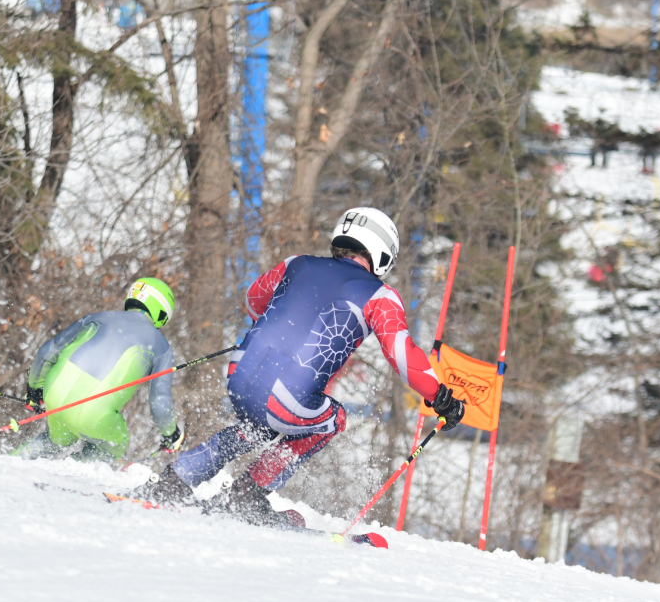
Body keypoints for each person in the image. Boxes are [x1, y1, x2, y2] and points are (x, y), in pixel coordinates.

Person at [143, 208, 465, 525]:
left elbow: (253, 300)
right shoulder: (381, 296)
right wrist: (440, 397)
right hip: (287, 397)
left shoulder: (296, 263)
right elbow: (402, 355)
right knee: (333, 419)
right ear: (383, 253)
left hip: (239, 373)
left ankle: (179, 477)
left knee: (258, 426)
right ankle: (248, 494)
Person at [12, 278, 185, 463]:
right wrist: (171, 433)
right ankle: (70, 472)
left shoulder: (99, 317)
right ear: (162, 313)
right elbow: (159, 401)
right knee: (115, 442)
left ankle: (12, 461)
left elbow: (47, 352)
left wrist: (35, 390)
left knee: (59, 439)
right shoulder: (161, 346)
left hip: (54, 392)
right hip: (92, 410)